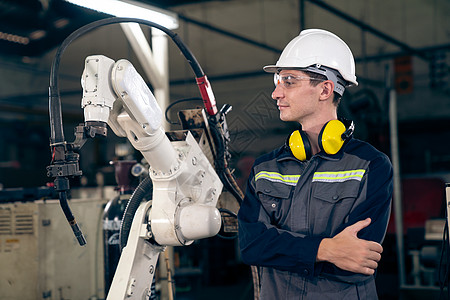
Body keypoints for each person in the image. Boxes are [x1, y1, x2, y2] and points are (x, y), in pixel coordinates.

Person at [237, 29, 393, 299]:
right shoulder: (265, 169)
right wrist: (327, 250)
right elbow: (251, 246)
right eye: (277, 80)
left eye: (288, 81)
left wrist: (281, 248)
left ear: (324, 89)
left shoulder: (371, 165)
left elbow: (356, 264)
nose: (275, 93)